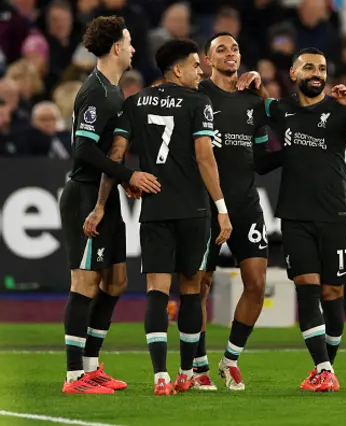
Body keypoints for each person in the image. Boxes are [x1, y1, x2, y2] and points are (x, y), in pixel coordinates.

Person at [84, 39, 232, 396]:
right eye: (197, 65)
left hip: (155, 210)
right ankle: (187, 373)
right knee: (192, 291)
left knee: (156, 291)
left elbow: (115, 155)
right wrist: (222, 209)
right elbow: (204, 157)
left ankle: (159, 378)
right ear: (178, 69)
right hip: (194, 210)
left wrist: (107, 199)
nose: (201, 71)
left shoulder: (135, 102)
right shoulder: (200, 102)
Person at [238, 47, 346, 392]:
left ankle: (325, 368)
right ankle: (322, 367)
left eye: (321, 67)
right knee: (306, 286)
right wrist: (257, 84)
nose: (316, 73)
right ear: (293, 73)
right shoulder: (283, 109)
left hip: (334, 213)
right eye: (308, 67)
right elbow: (263, 100)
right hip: (295, 215)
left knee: (333, 290)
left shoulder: (341, 109)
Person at [59, 15, 161, 395]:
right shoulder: (97, 92)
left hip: (106, 195)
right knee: (84, 281)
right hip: (85, 196)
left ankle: (91, 366)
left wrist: (121, 179)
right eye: (130, 42)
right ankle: (74, 378)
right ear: (117, 47)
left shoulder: (114, 90)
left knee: (116, 281)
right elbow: (84, 150)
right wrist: (129, 176)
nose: (134, 49)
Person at [193, 32, 283, 391]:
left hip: (246, 205)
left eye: (234, 48)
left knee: (257, 284)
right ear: (207, 59)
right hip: (206, 206)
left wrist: (263, 95)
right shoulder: (198, 95)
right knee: (198, 286)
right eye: (221, 49)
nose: (230, 54)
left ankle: (229, 361)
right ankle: (197, 365)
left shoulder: (253, 102)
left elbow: (263, 159)